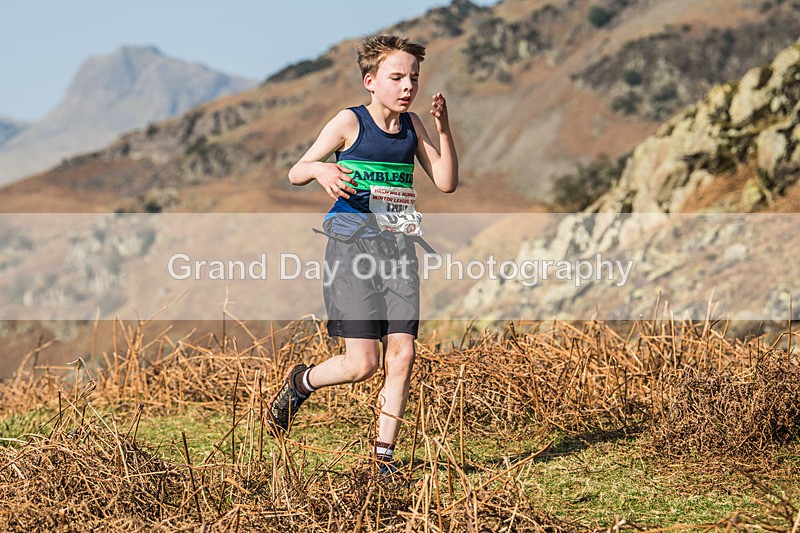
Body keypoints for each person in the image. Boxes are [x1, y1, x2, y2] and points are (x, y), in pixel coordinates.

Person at [268, 34, 458, 476]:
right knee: (362, 364)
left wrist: (444, 129)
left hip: (398, 252)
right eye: (396, 77)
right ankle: (301, 383)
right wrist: (321, 169)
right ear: (371, 81)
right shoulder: (348, 123)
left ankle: (382, 461)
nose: (407, 86)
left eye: (413, 77)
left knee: (403, 355)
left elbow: (446, 181)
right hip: (351, 252)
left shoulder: (413, 128)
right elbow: (296, 171)